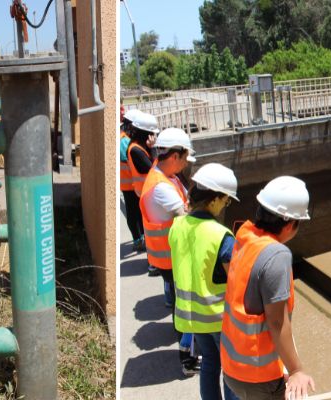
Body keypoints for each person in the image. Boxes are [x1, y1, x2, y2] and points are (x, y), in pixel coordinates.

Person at [222, 176, 315, 400]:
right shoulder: (277, 255)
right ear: (292, 223)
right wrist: (296, 370)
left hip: (232, 367)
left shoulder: (245, 236)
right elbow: (276, 321)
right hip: (259, 376)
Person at [169, 163, 240, 399]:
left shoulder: (177, 226)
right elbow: (236, 281)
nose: (225, 205)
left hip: (191, 318)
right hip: (219, 318)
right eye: (226, 200)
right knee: (231, 371)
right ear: (214, 199)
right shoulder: (221, 236)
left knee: (209, 363)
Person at [139, 126, 200, 374]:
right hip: (172, 257)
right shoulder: (161, 186)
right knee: (183, 306)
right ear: (174, 156)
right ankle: (187, 359)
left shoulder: (164, 176)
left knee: (178, 303)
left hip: (170, 255)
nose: (186, 165)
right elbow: (186, 214)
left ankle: (185, 345)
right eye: (185, 159)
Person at [120, 109, 153, 254]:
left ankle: (140, 238)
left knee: (137, 214)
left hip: (133, 184)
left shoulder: (127, 140)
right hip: (129, 184)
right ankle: (138, 240)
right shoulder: (125, 141)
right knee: (133, 214)